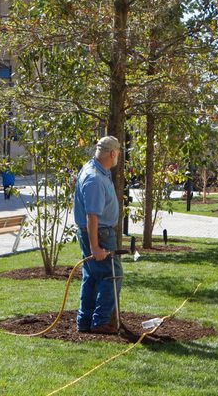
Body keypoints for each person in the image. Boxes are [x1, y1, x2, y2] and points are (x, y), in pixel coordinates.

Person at [73, 136, 122, 334]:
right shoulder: (94, 177)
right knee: (112, 276)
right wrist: (95, 246)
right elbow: (92, 215)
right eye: (117, 153)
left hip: (97, 233)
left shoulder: (97, 170)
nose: (117, 156)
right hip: (99, 235)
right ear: (112, 153)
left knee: (92, 277)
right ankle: (100, 321)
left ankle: (84, 322)